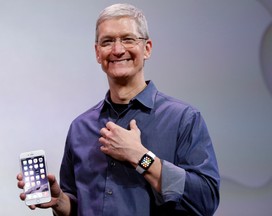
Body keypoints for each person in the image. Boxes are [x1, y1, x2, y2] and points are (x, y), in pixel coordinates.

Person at [17, 3, 220, 216]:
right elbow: (81, 208)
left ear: (147, 48)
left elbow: (206, 200)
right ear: (97, 53)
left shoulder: (184, 119)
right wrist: (60, 203)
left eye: (128, 39)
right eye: (107, 41)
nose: (117, 49)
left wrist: (141, 157)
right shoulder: (80, 127)